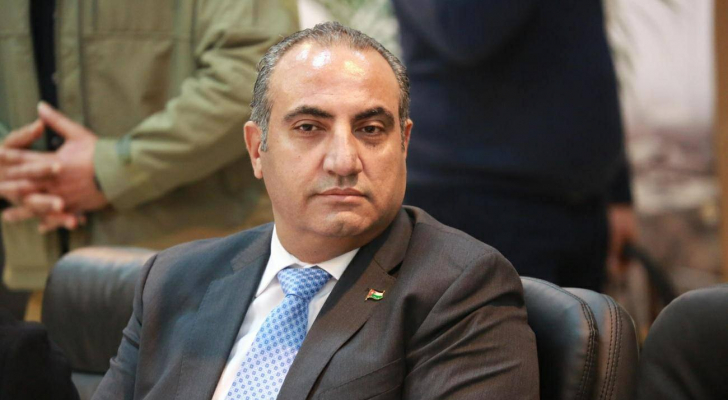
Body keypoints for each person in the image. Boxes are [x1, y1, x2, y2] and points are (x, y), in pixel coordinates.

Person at [93, 22, 539, 400]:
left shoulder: (460, 288)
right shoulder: (174, 280)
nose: (344, 161)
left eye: (370, 129)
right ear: (257, 149)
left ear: (403, 143)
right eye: (309, 127)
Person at [0, 0, 298, 292]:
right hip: (39, 273)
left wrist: (112, 170)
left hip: (197, 271)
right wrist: (15, 171)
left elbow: (261, 68)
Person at [391, 0, 637, 292]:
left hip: (582, 208)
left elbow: (582, 42)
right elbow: (464, 29)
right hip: (481, 202)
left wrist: (617, 189)